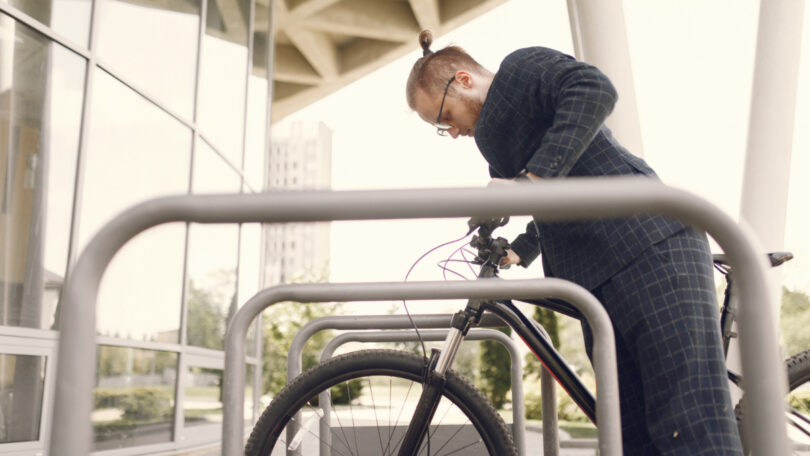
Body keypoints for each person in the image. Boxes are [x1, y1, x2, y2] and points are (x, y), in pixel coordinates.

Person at [406, 30, 743, 455]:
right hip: (597, 280)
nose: (451, 131)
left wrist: (531, 182)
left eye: (443, 117)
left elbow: (594, 88)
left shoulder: (520, 69)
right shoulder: (494, 143)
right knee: (631, 438)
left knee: (688, 424)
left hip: (650, 247)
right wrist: (520, 249)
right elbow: (558, 195)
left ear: (462, 80)